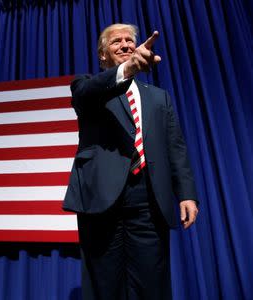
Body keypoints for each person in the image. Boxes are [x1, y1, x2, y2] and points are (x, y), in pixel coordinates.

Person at [63, 23, 199, 299]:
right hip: (101, 200)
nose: (125, 45)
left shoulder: (159, 97)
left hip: (148, 200)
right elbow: (84, 95)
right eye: (116, 42)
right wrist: (127, 70)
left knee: (153, 284)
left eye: (130, 41)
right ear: (103, 55)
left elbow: (175, 147)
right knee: (104, 286)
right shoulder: (87, 86)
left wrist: (186, 193)